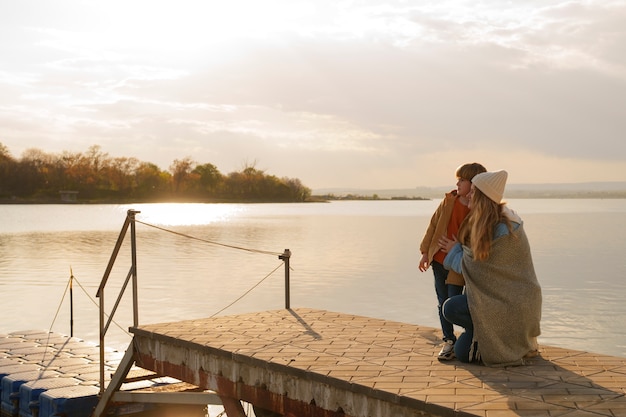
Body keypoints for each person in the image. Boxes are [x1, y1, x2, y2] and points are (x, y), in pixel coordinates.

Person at [440, 170, 542, 366]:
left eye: (474, 191)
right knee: (460, 335)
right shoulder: (485, 221)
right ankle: (510, 341)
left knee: (452, 313)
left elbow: (480, 271)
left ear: (483, 197)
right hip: (499, 302)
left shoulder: (503, 227)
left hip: (512, 305)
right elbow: (482, 269)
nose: (469, 194)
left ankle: (509, 341)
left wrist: (454, 253)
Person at [419, 162, 487, 360]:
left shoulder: (478, 209)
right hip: (438, 259)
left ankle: (471, 337)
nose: (457, 183)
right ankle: (449, 341)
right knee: (442, 302)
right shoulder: (449, 201)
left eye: (462, 180)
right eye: (458, 179)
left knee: (453, 301)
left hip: (458, 263)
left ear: (474, 183)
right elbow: (433, 225)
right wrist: (425, 252)